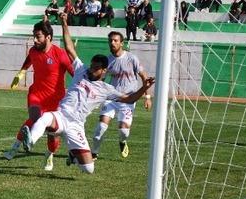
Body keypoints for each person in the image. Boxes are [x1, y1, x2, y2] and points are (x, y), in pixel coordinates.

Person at [21, 15, 155, 174]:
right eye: (92, 66)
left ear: (104, 71)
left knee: (89, 169)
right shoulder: (81, 70)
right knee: (45, 118)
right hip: (62, 115)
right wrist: (64, 23)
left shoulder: (107, 89)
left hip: (76, 125)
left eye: (96, 68)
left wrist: (143, 90)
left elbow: (129, 98)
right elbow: (69, 48)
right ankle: (30, 141)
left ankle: (72, 153)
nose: (91, 69)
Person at [4, 20, 74, 171]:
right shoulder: (33, 51)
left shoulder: (60, 54)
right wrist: (21, 72)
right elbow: (30, 59)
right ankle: (15, 147)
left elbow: (74, 73)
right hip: (36, 94)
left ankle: (49, 154)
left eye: (38, 37)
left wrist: (80, 88)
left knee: (51, 134)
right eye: (34, 36)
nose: (35, 40)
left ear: (48, 37)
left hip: (56, 100)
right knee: (34, 118)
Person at [90, 30, 152, 160]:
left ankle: (122, 141)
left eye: (115, 40)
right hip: (112, 98)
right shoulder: (107, 60)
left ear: (121, 43)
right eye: (110, 40)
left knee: (123, 131)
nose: (112, 43)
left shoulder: (131, 58)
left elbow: (144, 76)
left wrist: (147, 97)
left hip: (128, 99)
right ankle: (94, 153)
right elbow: (101, 79)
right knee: (100, 127)